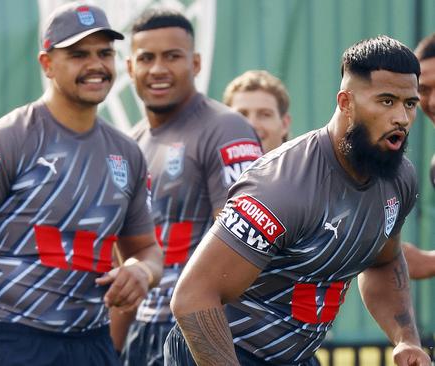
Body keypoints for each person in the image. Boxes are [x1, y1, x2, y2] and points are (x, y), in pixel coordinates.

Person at [0, 3, 163, 366]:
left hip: (92, 344)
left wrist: (142, 272)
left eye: (104, 53)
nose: (95, 65)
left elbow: (147, 250)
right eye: (79, 54)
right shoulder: (4, 140)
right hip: (12, 341)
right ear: (47, 64)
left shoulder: (127, 152)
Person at [166, 35, 432, 365]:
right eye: (387, 101)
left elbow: (384, 262)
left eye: (409, 104)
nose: (403, 119)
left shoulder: (399, 178)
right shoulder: (281, 186)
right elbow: (193, 297)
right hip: (223, 353)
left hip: (296, 356)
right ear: (346, 103)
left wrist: (405, 339)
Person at [112, 9, 263, 366]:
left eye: (172, 56)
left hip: (198, 332)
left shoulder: (227, 129)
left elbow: (243, 249)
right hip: (144, 332)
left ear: (195, 63)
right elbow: (127, 263)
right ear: (130, 68)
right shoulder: (130, 145)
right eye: (147, 58)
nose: (158, 69)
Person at [225, 69, 435, 280]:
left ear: (284, 124)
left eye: (265, 114)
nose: (251, 124)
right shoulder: (207, 180)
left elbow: (383, 258)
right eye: (241, 114)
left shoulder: (307, 182)